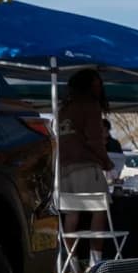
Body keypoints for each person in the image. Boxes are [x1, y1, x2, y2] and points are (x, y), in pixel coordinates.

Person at [58, 67, 117, 261]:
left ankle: (70, 261)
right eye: (97, 84)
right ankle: (95, 261)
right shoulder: (90, 105)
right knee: (100, 209)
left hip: (64, 166)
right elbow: (95, 140)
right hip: (86, 165)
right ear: (89, 85)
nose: (100, 88)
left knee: (71, 212)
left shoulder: (64, 107)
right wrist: (107, 162)